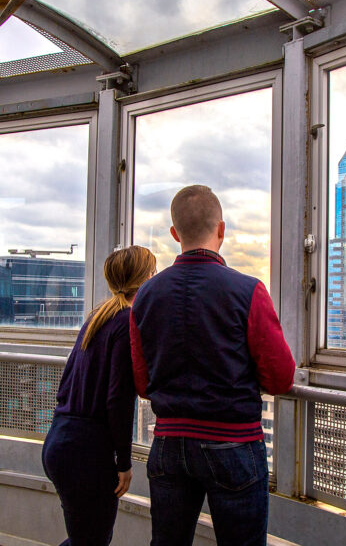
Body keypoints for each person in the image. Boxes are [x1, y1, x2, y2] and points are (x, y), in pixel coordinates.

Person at [130, 185, 296, 546]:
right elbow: (281, 378)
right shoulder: (248, 291)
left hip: (169, 443)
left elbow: (142, 383)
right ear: (222, 230)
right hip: (233, 442)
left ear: (175, 234)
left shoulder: (146, 295)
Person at [42, 245, 157, 546]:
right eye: (154, 272)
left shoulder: (97, 318)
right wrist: (124, 462)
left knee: (84, 540)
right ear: (146, 279)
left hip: (60, 441)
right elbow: (118, 400)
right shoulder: (127, 323)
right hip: (86, 453)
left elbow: (67, 384)